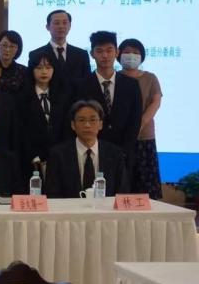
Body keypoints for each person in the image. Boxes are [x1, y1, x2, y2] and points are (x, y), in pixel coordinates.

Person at [73, 31, 143, 175]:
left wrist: (124, 150)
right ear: (92, 54)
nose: (105, 55)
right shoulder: (80, 86)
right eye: (99, 51)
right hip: (91, 153)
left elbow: (135, 121)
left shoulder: (131, 85)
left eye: (109, 50)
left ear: (117, 52)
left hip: (123, 154)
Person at [43, 100, 130, 198]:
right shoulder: (57, 155)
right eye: (81, 120)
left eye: (93, 120)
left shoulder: (115, 154)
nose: (87, 125)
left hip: (105, 207)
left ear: (100, 124)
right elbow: (52, 194)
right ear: (73, 125)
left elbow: (122, 193)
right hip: (70, 207)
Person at [118, 38, 163, 199]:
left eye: (135, 52)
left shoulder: (150, 78)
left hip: (144, 137)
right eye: (127, 52)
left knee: (145, 184)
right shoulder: (114, 77)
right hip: (120, 137)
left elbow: (155, 102)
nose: (131, 55)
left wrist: (139, 124)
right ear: (119, 55)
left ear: (142, 56)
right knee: (123, 181)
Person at [17, 48, 69, 181]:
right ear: (32, 70)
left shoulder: (63, 96)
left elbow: (66, 127)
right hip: (32, 159)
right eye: (39, 68)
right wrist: (32, 155)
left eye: (48, 67)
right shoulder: (22, 97)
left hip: (60, 156)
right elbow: (21, 130)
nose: (44, 72)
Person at [27, 9, 91, 83]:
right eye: (56, 23)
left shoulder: (82, 55)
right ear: (47, 27)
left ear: (70, 26)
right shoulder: (35, 54)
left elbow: (87, 83)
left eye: (64, 23)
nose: (61, 26)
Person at [0, 30, 28, 95]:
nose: (7, 49)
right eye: (4, 45)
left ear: (18, 49)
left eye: (12, 46)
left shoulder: (24, 71)